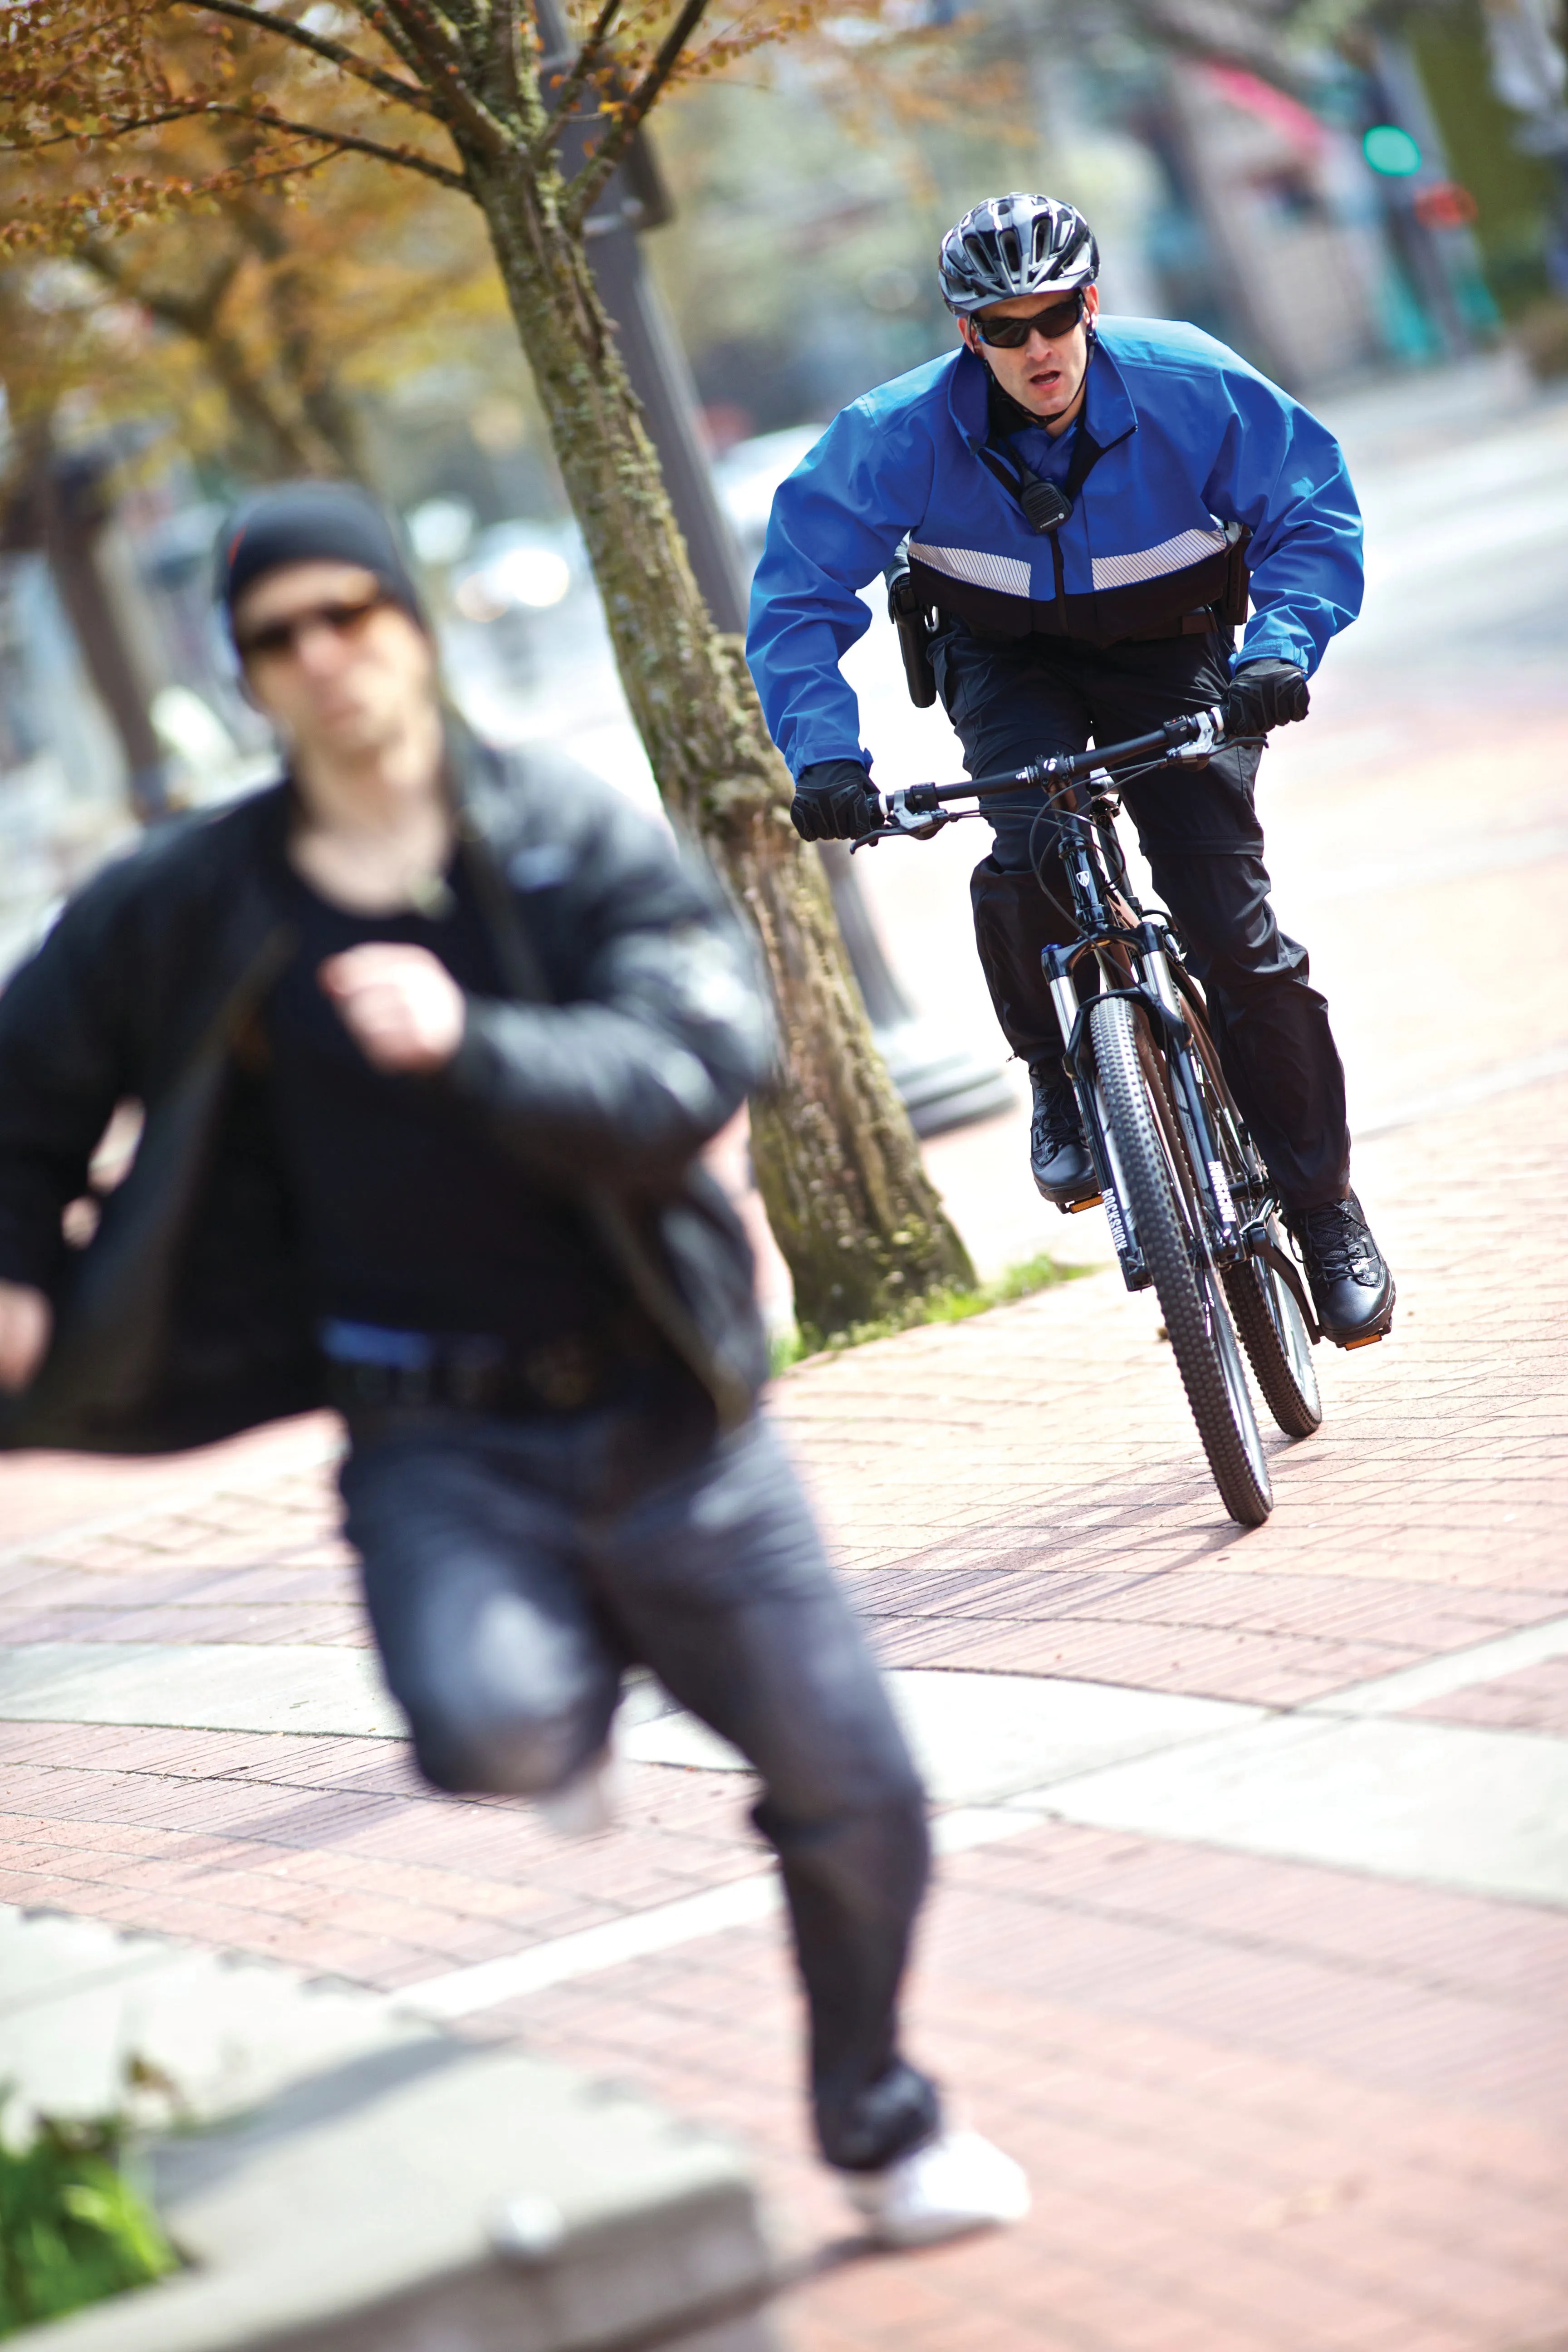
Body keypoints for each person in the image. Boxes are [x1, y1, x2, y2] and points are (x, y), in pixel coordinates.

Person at [0, 481, 1027, 2246]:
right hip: (434, 1439)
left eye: (353, 614)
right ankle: (565, 1701)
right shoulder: (199, 899)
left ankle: (880, 2115)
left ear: (413, 626)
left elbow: (695, 1060)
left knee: (864, 1791)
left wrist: (475, 1041)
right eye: (279, 635)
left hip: (674, 1425)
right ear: (247, 673)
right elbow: (21, 1088)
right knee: (486, 1726)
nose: (325, 657)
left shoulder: (564, 834)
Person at [747, 192, 1395, 1348]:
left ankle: (1326, 1212)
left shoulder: (1192, 382)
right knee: (1028, 842)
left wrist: (1279, 652)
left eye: (1056, 316)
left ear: (1091, 305)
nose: (1037, 346)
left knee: (1237, 940)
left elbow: (1310, 513)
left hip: (1173, 651)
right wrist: (827, 759)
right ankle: (1057, 1069)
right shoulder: (892, 436)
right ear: (968, 336)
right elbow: (797, 596)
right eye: (1006, 327)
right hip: (1005, 660)